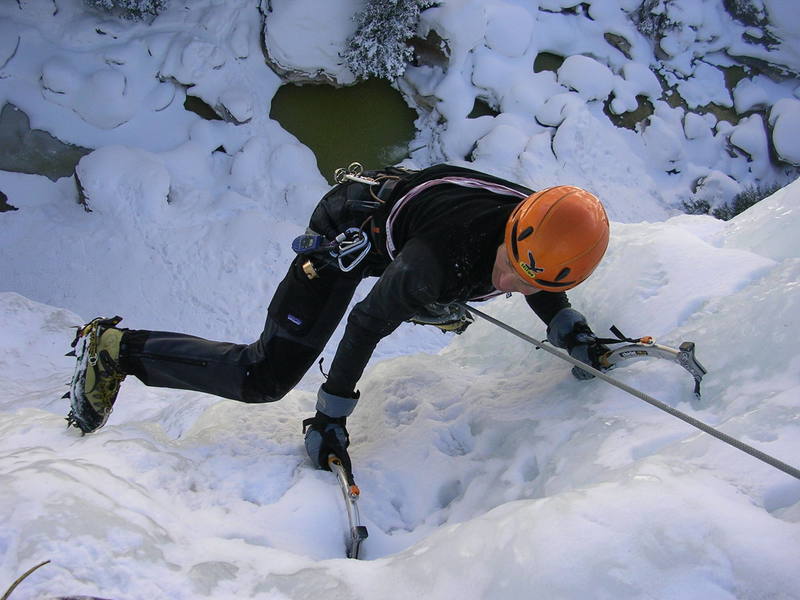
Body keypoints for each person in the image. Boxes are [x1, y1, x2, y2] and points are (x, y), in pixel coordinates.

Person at [66, 163, 610, 476]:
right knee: (264, 379)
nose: (511, 284)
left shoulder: (541, 222)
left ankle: (437, 308)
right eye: (508, 267)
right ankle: (117, 349)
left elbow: (539, 274)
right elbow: (366, 325)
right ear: (512, 228)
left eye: (530, 281)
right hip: (346, 239)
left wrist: (565, 324)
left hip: (406, 225)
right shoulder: (435, 263)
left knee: (452, 297)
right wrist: (331, 417)